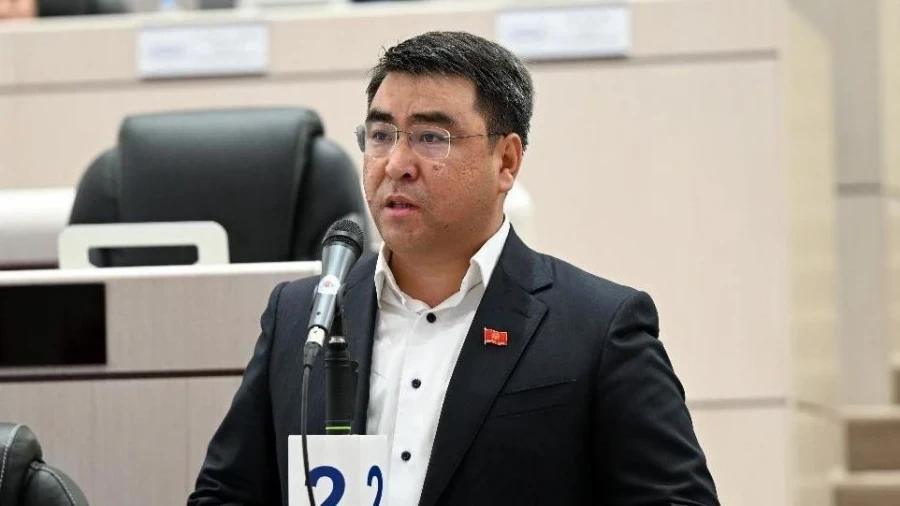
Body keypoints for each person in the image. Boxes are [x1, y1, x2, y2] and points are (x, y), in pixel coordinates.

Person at [189, 31, 719, 506]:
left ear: (506, 161)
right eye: (381, 135)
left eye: (430, 137)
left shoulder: (597, 327)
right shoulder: (302, 315)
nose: (396, 164)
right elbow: (226, 494)